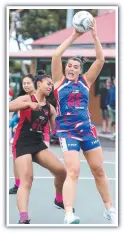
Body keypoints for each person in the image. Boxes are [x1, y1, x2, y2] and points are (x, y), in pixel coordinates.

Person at [52, 19, 116, 224]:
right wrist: (75, 36)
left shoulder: (85, 81)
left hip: (87, 130)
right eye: (69, 66)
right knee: (74, 170)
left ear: (80, 70)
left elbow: (100, 59)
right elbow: (55, 55)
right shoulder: (58, 81)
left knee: (99, 169)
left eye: (75, 66)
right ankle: (69, 213)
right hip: (67, 132)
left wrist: (95, 36)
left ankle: (109, 209)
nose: (71, 68)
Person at [9, 70, 66, 224]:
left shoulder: (50, 108)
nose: (50, 87)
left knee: (61, 171)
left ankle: (58, 199)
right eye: (48, 83)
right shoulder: (28, 98)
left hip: (38, 144)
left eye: (52, 85)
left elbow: (56, 131)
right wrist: (27, 104)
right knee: (27, 180)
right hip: (22, 142)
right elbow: (8, 106)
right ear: (39, 84)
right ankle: (23, 217)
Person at [9, 74, 36, 194]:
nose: (25, 85)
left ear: (35, 84)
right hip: (22, 134)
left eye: (28, 83)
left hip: (36, 135)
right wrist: (16, 125)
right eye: (24, 83)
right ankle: (18, 184)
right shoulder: (23, 98)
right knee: (16, 159)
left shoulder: (40, 98)